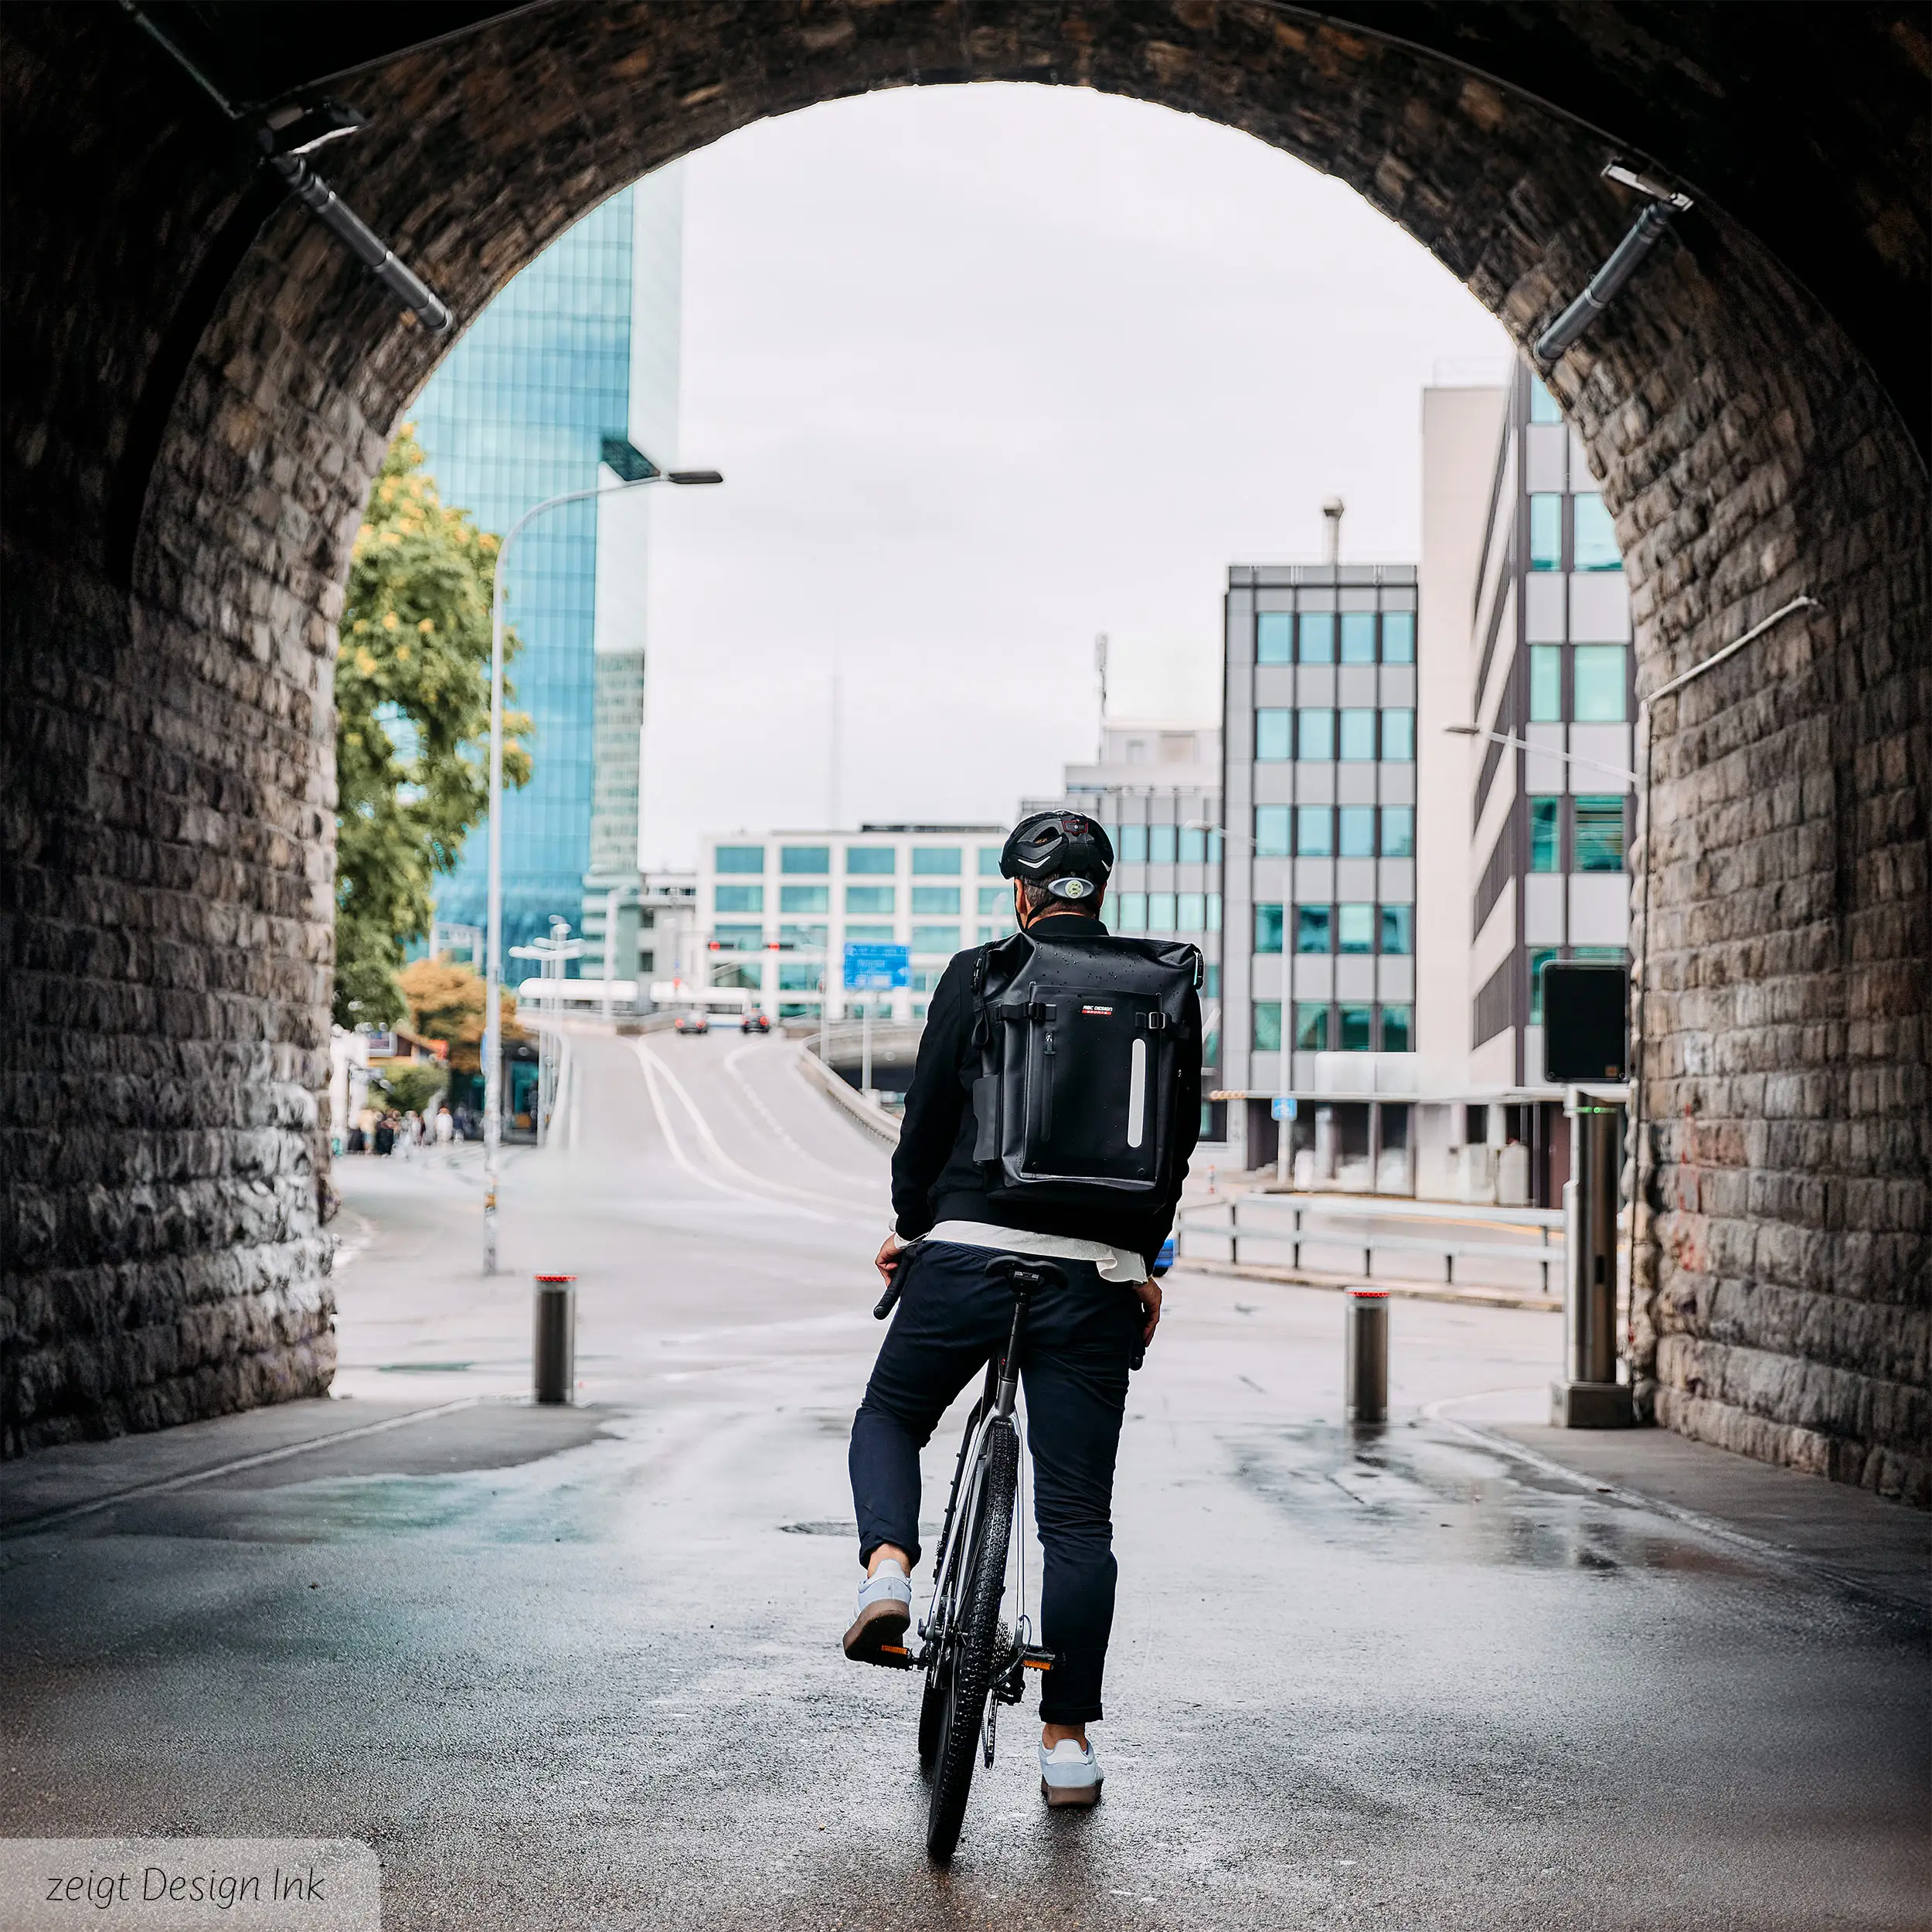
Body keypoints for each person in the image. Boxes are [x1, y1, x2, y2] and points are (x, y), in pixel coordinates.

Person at [843, 811, 1201, 1809]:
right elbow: (1174, 1142)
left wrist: (915, 1225)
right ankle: (1067, 1744)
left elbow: (924, 1125)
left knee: (892, 1416)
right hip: (1091, 1275)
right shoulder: (1162, 981)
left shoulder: (981, 971)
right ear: (1104, 891)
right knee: (1078, 1519)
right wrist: (1137, 1261)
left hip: (961, 1256)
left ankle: (886, 1572)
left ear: (1020, 892)